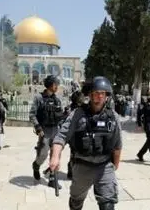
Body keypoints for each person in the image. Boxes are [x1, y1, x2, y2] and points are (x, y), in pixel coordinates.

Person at [49, 76, 123, 210]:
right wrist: (55, 157)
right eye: (96, 93)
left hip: (104, 166)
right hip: (82, 166)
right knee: (76, 202)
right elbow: (61, 137)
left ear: (107, 96)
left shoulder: (113, 117)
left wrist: (114, 166)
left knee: (108, 204)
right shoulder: (77, 114)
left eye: (103, 93)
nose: (100, 96)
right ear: (90, 94)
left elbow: (117, 145)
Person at [29, 75, 63, 187]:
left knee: (56, 155)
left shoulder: (57, 99)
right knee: (43, 154)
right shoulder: (39, 98)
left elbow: (60, 115)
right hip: (45, 131)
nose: (57, 86)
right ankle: (36, 165)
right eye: (55, 84)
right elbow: (32, 114)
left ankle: (53, 179)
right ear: (49, 85)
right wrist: (38, 127)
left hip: (56, 130)